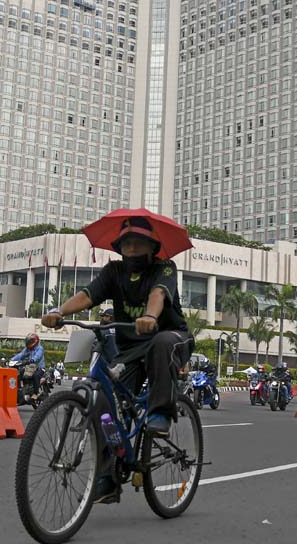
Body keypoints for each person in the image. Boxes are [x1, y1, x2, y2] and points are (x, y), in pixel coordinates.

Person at [42, 215, 192, 504]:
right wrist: (60, 311)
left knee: (161, 343)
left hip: (171, 338)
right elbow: (88, 295)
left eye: (138, 242)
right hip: (130, 349)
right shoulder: (114, 271)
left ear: (152, 246)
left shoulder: (164, 267)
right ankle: (109, 474)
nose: (132, 248)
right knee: (105, 407)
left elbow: (159, 293)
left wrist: (150, 316)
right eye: (126, 243)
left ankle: (160, 412)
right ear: (119, 247)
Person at [11, 333, 46, 400]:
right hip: (29, 367)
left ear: (35, 341)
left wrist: (32, 360)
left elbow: (38, 356)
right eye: (28, 341)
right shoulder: (27, 349)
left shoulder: (40, 348)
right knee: (20, 373)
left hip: (39, 368)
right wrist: (12, 359)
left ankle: (36, 393)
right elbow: (21, 355)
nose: (28, 343)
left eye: (30, 341)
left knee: (35, 375)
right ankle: (21, 389)